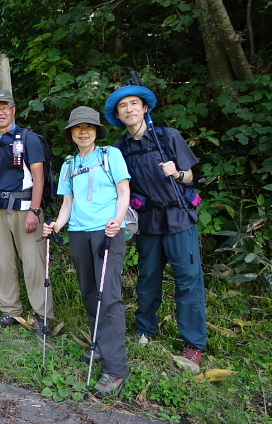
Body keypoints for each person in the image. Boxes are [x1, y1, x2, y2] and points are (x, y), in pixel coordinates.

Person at [104, 84, 207, 365]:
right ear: (119, 115)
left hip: (179, 218)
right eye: (123, 106)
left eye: (134, 104)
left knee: (188, 281)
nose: (129, 109)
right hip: (148, 223)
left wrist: (178, 172)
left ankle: (194, 343)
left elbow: (190, 178)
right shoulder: (119, 150)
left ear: (144, 108)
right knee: (147, 279)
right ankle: (146, 329)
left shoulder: (168, 136)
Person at [43, 106, 130, 398]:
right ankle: (99, 346)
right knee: (91, 293)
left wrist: (117, 221)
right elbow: (67, 204)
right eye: (77, 128)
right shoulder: (68, 165)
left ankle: (116, 369)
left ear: (96, 131)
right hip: (79, 233)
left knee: (110, 297)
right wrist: (56, 225)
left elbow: (124, 192)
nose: (83, 132)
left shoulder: (110, 156)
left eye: (88, 128)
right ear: (71, 133)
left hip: (108, 231)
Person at [0, 89, 53, 336]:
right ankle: (10, 311)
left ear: (13, 110)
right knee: (2, 263)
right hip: (0, 209)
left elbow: (39, 176)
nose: (0, 112)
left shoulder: (27, 138)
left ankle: (43, 316)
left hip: (26, 208)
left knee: (33, 264)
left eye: (5, 107)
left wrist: (35, 210)